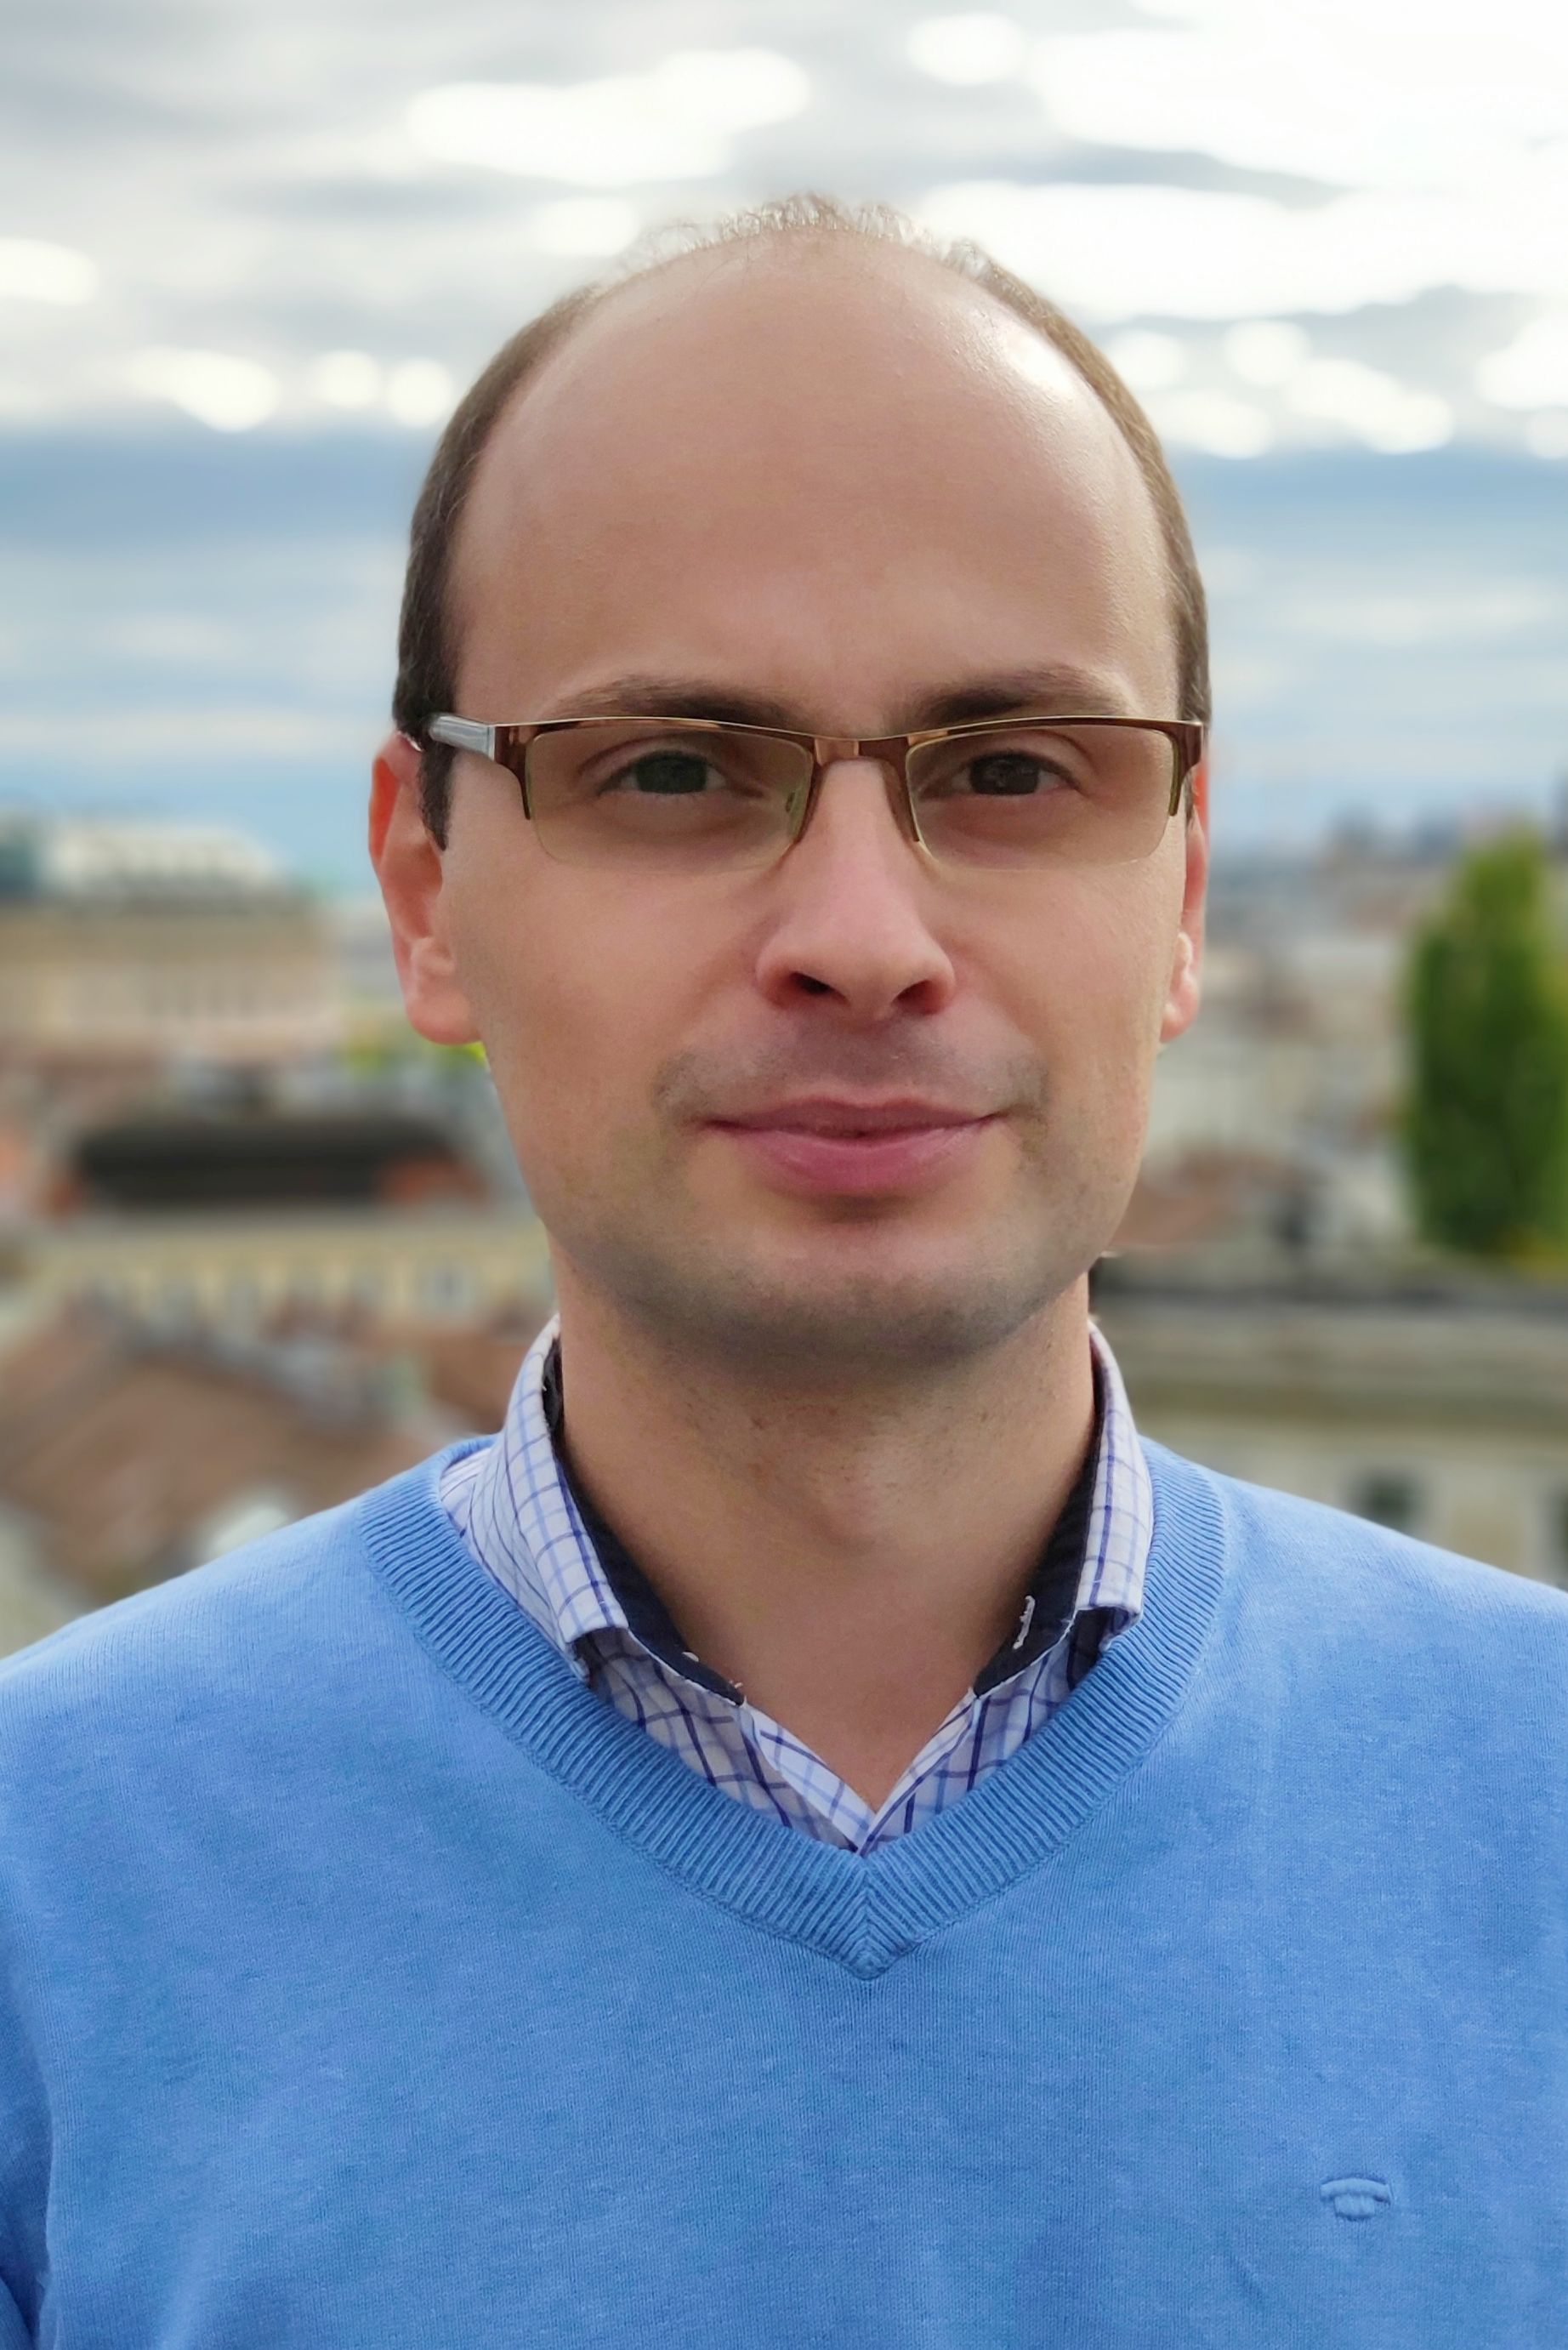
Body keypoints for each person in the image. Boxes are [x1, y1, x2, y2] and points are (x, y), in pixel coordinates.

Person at [2, 196, 1565, 2349]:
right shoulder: (44, 1891)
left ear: (1186, 889)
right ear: (424, 889)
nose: (861, 933)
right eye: (670, 768)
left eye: (1010, 769)